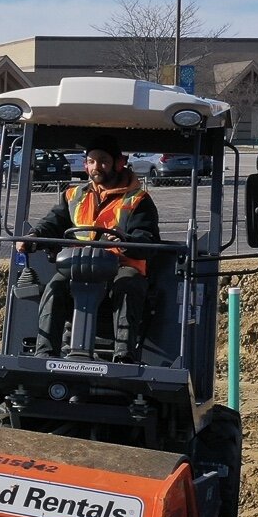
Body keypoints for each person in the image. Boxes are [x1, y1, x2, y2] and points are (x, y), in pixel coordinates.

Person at [17, 135, 160, 362]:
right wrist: (33, 237)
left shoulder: (138, 200)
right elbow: (53, 223)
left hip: (121, 265)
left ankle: (124, 356)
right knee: (55, 287)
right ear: (85, 165)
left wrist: (123, 243)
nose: (96, 167)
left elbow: (146, 239)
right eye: (91, 161)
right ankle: (44, 354)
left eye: (103, 161)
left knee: (128, 284)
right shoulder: (73, 196)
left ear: (119, 162)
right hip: (79, 264)